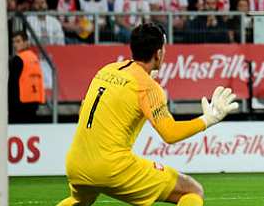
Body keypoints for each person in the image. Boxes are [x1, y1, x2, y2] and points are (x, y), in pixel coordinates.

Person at [57, 23, 238, 206]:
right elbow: (170, 134)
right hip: (111, 167)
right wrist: (208, 119)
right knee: (191, 190)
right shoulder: (147, 87)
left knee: (80, 201)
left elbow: (83, 110)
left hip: (75, 164)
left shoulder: (108, 69)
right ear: (158, 53)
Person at [8, 31, 45, 124]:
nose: (15, 45)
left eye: (18, 41)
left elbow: (13, 83)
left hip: (20, 102)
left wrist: (10, 103)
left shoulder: (18, 59)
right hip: (34, 100)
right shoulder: (34, 57)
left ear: (26, 42)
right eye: (14, 42)